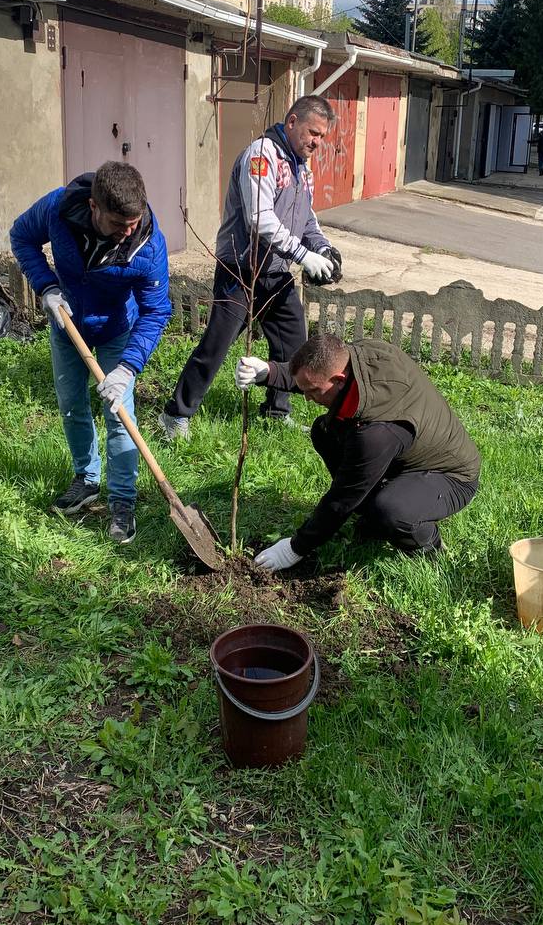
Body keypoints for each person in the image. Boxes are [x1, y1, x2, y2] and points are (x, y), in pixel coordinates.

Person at [159, 95, 343, 439]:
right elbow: (260, 220)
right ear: (291, 122)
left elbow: (306, 219)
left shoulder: (302, 166)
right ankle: (175, 415)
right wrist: (303, 256)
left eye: (322, 137)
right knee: (217, 344)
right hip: (240, 270)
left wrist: (322, 247)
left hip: (274, 272)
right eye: (312, 133)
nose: (316, 142)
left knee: (293, 342)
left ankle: (276, 411)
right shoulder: (262, 156)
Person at [10, 161, 170, 545]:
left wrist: (128, 368)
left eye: (134, 222)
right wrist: (46, 286)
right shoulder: (58, 209)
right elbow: (21, 236)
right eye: (119, 224)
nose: (127, 232)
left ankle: (123, 501)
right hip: (67, 324)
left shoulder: (147, 245)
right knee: (71, 405)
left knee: (119, 414)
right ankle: (87, 478)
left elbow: (157, 310)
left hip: (117, 329)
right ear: (94, 207)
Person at [235, 332, 480, 571]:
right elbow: (319, 371)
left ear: (340, 380)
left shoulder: (377, 432)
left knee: (391, 511)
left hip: (450, 476)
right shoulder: (356, 356)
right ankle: (372, 515)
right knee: (325, 432)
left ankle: (431, 552)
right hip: (407, 452)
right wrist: (270, 372)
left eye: (313, 392)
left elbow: (342, 497)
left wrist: (296, 548)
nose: (307, 399)